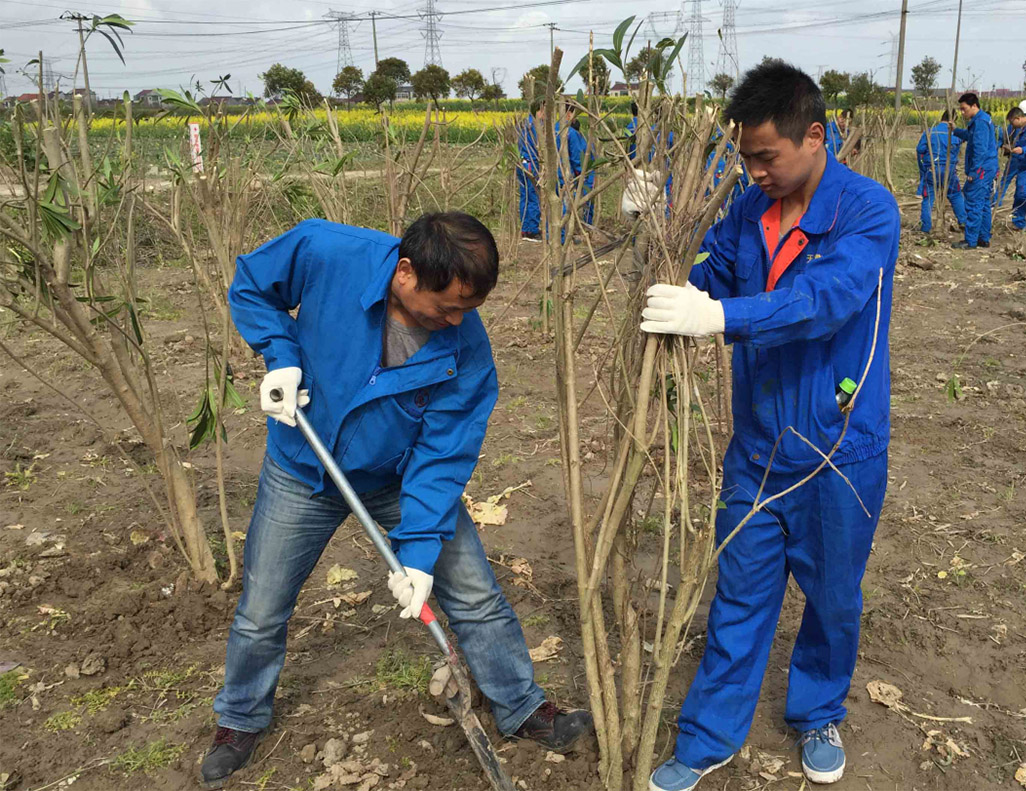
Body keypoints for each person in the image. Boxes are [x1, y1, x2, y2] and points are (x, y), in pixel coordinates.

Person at [201, 213, 593, 788]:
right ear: (406, 273)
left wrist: (417, 554)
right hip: (303, 469)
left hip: (395, 479)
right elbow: (253, 283)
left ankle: (521, 706)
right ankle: (239, 719)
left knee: (474, 594)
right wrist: (279, 353)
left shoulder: (466, 351)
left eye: (469, 307)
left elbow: (443, 455)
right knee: (262, 609)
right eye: (448, 305)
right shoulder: (326, 252)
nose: (457, 320)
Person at [639, 60, 898, 790]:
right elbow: (711, 265)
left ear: (814, 136)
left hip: (839, 447)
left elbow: (827, 297)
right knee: (741, 591)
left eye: (765, 156)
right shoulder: (748, 215)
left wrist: (720, 318)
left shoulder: (867, 211)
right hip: (757, 446)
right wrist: (677, 269)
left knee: (833, 595)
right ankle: (707, 735)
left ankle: (817, 710)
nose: (753, 171)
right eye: (744, 157)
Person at [951, 92, 998, 250]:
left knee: (973, 202)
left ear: (974, 106)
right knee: (984, 203)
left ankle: (970, 241)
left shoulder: (980, 123)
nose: (962, 113)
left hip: (982, 168)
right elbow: (971, 137)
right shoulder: (979, 121)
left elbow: (980, 149)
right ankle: (983, 238)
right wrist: (956, 130)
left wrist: (973, 172)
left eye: (964, 109)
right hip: (987, 167)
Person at [916, 110, 967, 233]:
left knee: (928, 198)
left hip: (932, 169)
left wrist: (923, 168)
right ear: (954, 120)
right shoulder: (956, 133)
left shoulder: (930, 131)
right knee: (955, 195)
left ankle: (926, 227)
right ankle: (963, 221)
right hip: (949, 170)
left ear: (941, 117)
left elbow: (920, 149)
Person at [518, 99, 545, 241]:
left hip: (521, 162)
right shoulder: (536, 125)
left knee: (525, 197)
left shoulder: (523, 123)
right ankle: (532, 231)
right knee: (534, 197)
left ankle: (525, 228)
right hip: (531, 164)